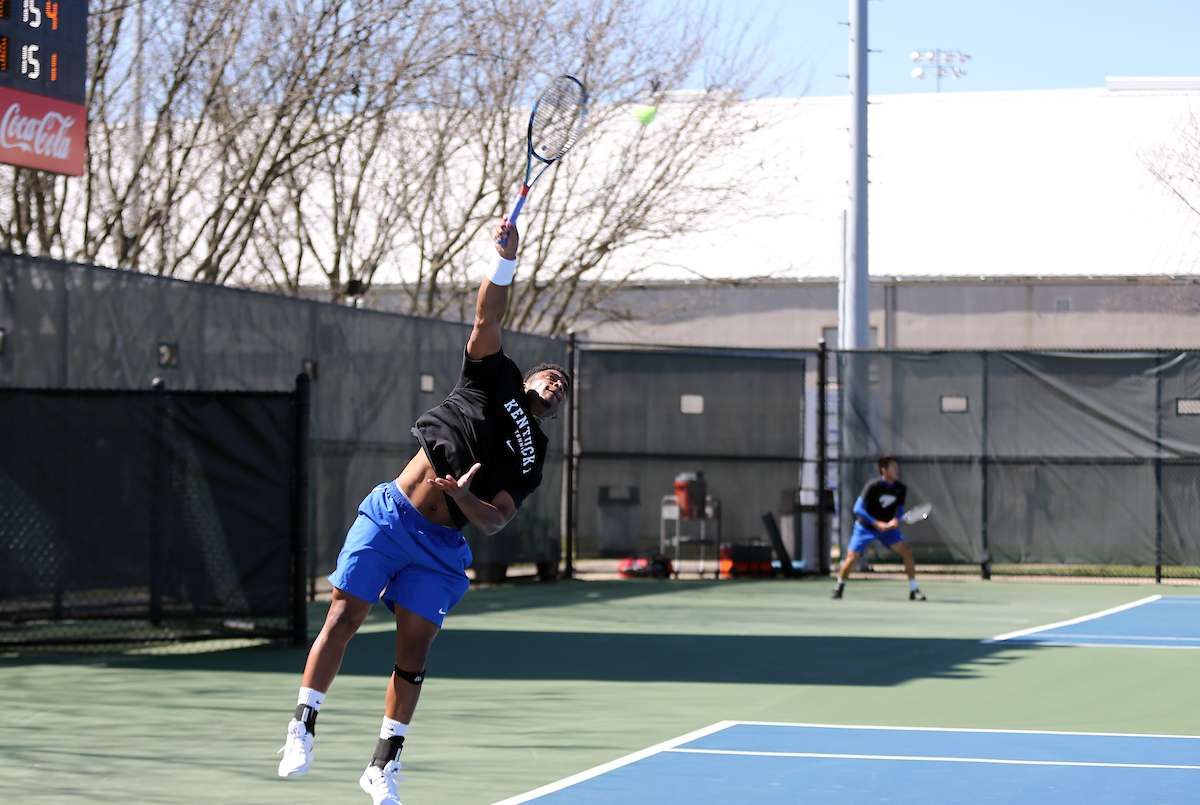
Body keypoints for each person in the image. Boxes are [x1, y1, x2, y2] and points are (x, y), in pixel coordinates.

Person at [276, 219, 571, 805]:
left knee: (412, 655)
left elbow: (498, 519)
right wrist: (504, 262)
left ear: (558, 410)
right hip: (392, 517)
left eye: (566, 389)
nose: (557, 385)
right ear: (532, 376)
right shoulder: (495, 378)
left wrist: (465, 499)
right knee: (342, 619)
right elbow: (488, 316)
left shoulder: (532, 457)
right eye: (553, 376)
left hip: (439, 549)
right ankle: (302, 727)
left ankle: (381, 766)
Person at [830, 454, 926, 601]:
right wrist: (876, 523)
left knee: (907, 551)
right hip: (865, 528)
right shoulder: (873, 486)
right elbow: (858, 509)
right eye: (893, 467)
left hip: (889, 531)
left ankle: (914, 590)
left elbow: (900, 511)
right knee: (851, 559)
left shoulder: (900, 488)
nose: (897, 470)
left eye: (897, 467)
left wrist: (896, 520)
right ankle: (839, 587)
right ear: (884, 470)